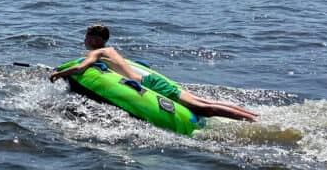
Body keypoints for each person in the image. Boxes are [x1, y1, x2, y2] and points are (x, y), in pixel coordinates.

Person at [50, 25, 258, 121]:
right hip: (151, 79)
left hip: (151, 85)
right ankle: (251, 115)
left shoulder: (97, 52)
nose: (84, 41)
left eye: (86, 37)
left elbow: (80, 68)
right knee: (203, 102)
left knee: (204, 108)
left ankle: (251, 121)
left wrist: (58, 74)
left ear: (94, 39)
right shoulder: (109, 50)